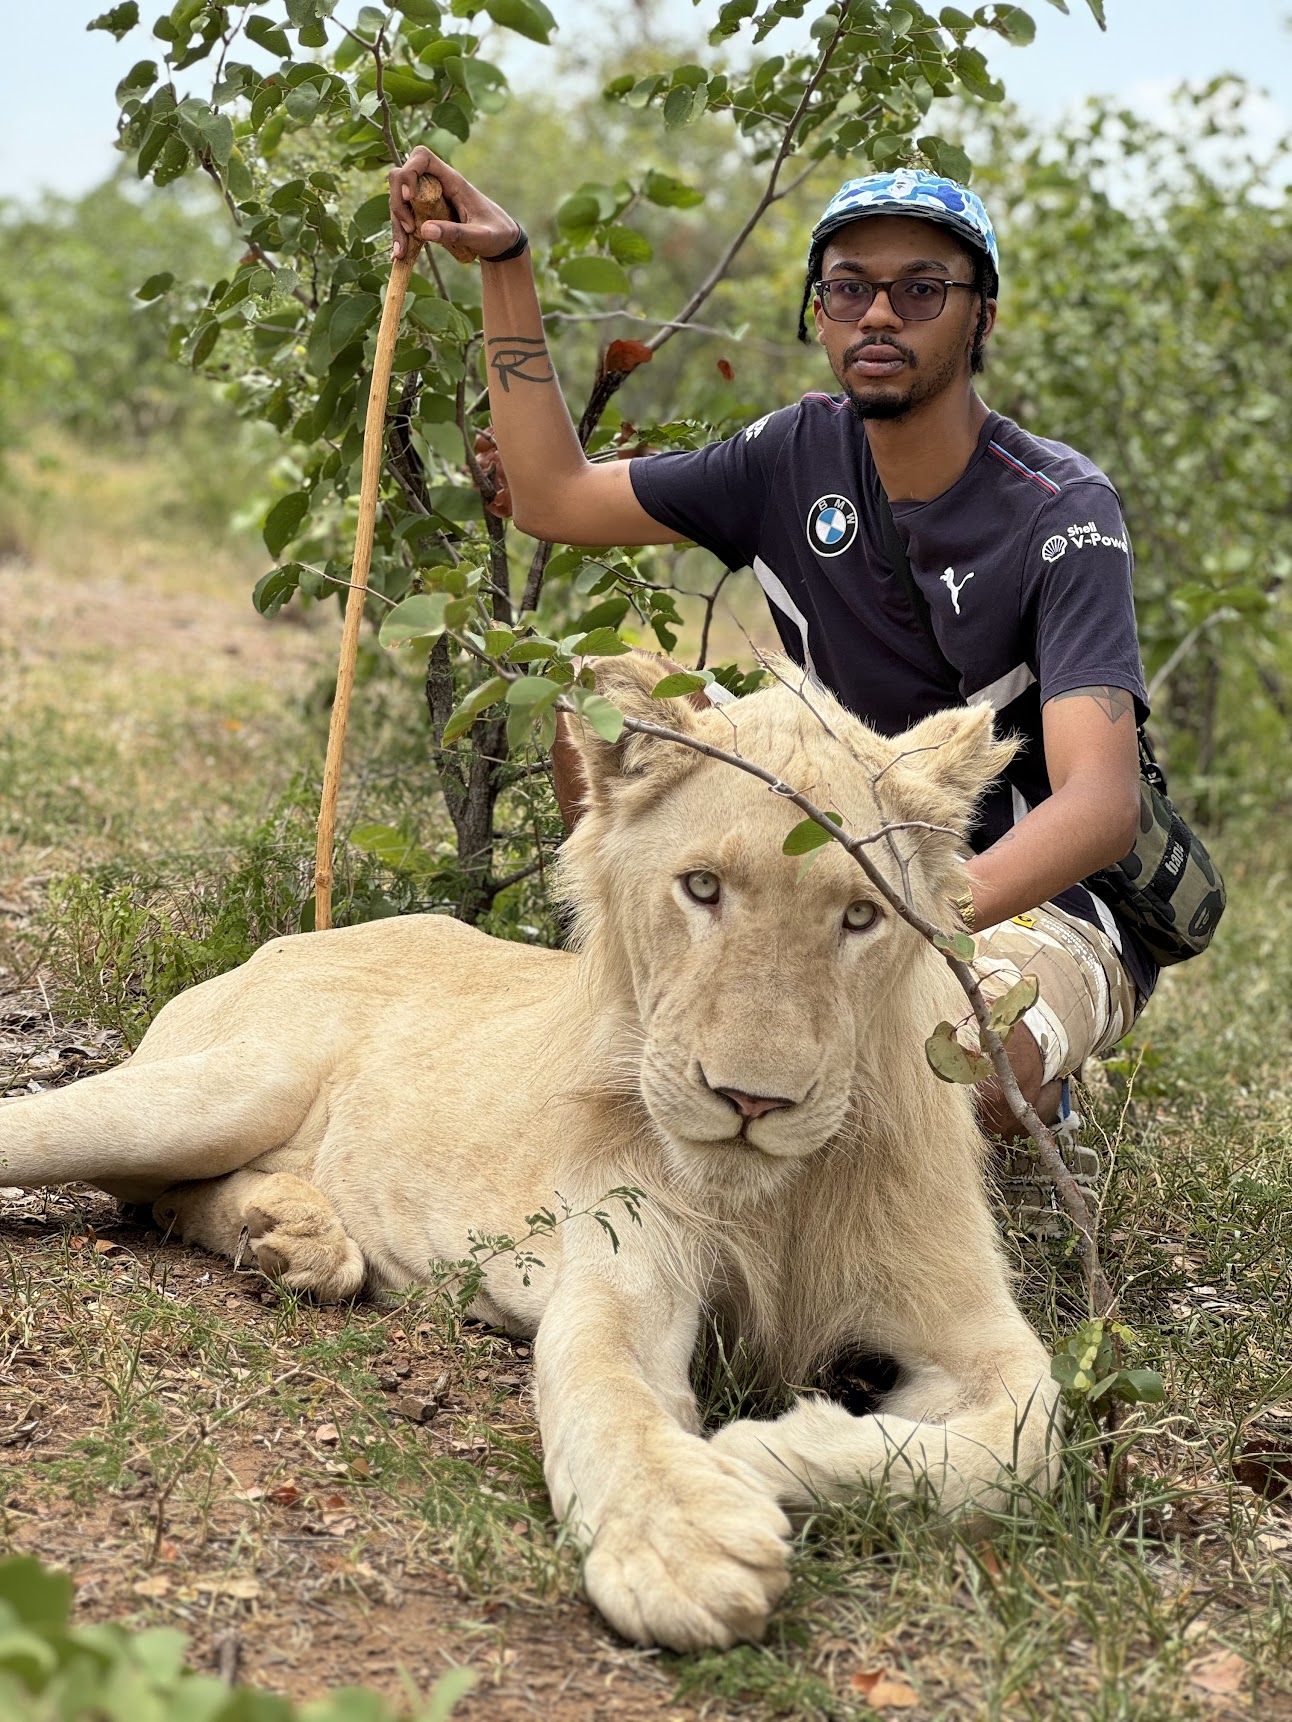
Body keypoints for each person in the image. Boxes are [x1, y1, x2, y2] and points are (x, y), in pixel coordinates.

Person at [387, 151, 1151, 1149]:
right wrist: (506, 265)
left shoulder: (1061, 509)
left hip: (1020, 894)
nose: (880, 315)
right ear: (817, 314)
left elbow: (1099, 805)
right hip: (817, 867)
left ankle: (1047, 1104)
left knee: (955, 1074)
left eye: (922, 290)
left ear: (981, 318)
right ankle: (640, 1010)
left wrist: (910, 917)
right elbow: (553, 497)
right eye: (848, 288)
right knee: (622, 722)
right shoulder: (793, 454)